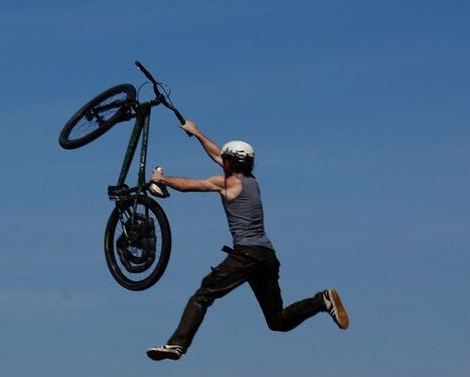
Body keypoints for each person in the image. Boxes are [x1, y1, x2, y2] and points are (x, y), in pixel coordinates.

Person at [146, 120, 350, 361]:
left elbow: (193, 185)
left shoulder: (227, 183)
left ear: (229, 164)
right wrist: (197, 133)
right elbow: (219, 155)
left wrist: (162, 179)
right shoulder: (251, 181)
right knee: (277, 321)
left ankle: (176, 345)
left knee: (203, 295)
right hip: (267, 257)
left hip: (246, 255)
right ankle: (321, 300)